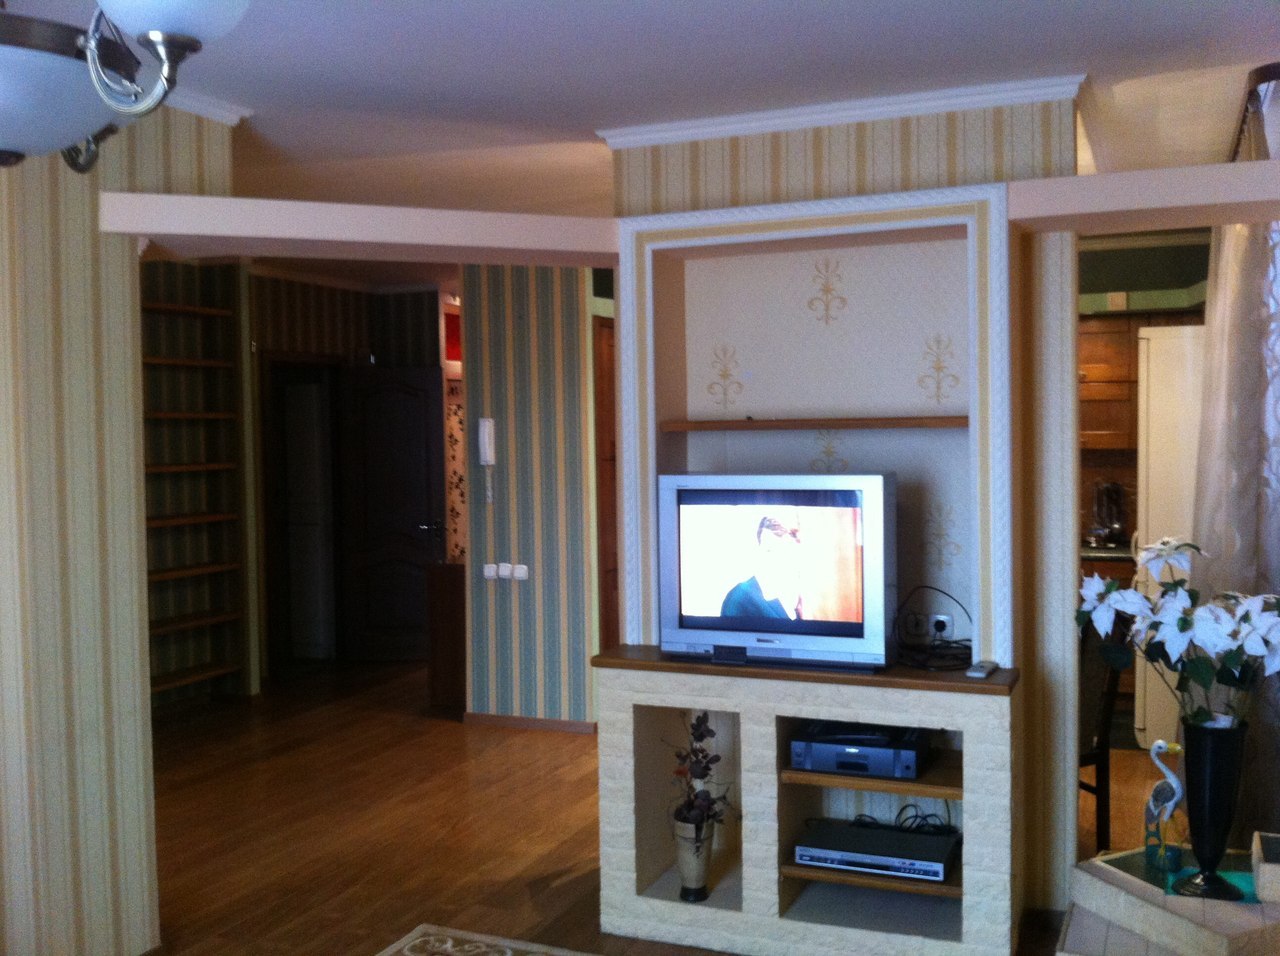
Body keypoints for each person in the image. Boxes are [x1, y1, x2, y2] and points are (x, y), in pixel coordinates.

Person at [721, 515, 803, 619]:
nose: (776, 558)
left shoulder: (798, 593)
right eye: (769, 550)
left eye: (784, 550)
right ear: (760, 550)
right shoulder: (738, 600)